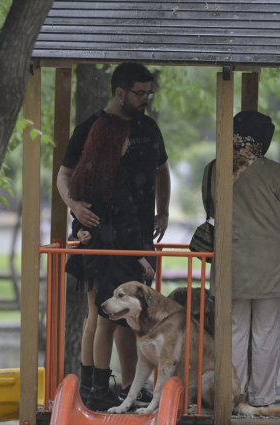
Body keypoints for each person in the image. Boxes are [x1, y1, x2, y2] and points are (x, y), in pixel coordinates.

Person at [57, 62, 170, 409]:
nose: (146, 98)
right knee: (104, 314)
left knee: (122, 317)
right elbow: (65, 176)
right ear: (120, 92)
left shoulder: (148, 129)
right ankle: (96, 386)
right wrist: (75, 208)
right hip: (110, 236)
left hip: (133, 234)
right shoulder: (94, 129)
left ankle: (118, 385)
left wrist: (162, 211)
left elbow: (162, 171)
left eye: (149, 92)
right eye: (140, 92)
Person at [201, 111, 280, 407]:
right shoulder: (275, 172)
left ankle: (233, 397)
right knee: (266, 334)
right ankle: (261, 399)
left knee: (233, 331)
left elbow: (210, 208)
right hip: (269, 267)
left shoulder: (213, 169)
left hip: (231, 263)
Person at [65, 114, 155, 411]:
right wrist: (139, 254)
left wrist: (79, 231)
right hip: (112, 257)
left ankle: (91, 384)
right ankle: (100, 389)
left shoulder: (85, 171)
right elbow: (124, 217)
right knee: (105, 323)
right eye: (125, 137)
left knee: (93, 319)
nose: (129, 142)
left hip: (91, 257)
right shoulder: (114, 173)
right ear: (114, 140)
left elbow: (80, 213)